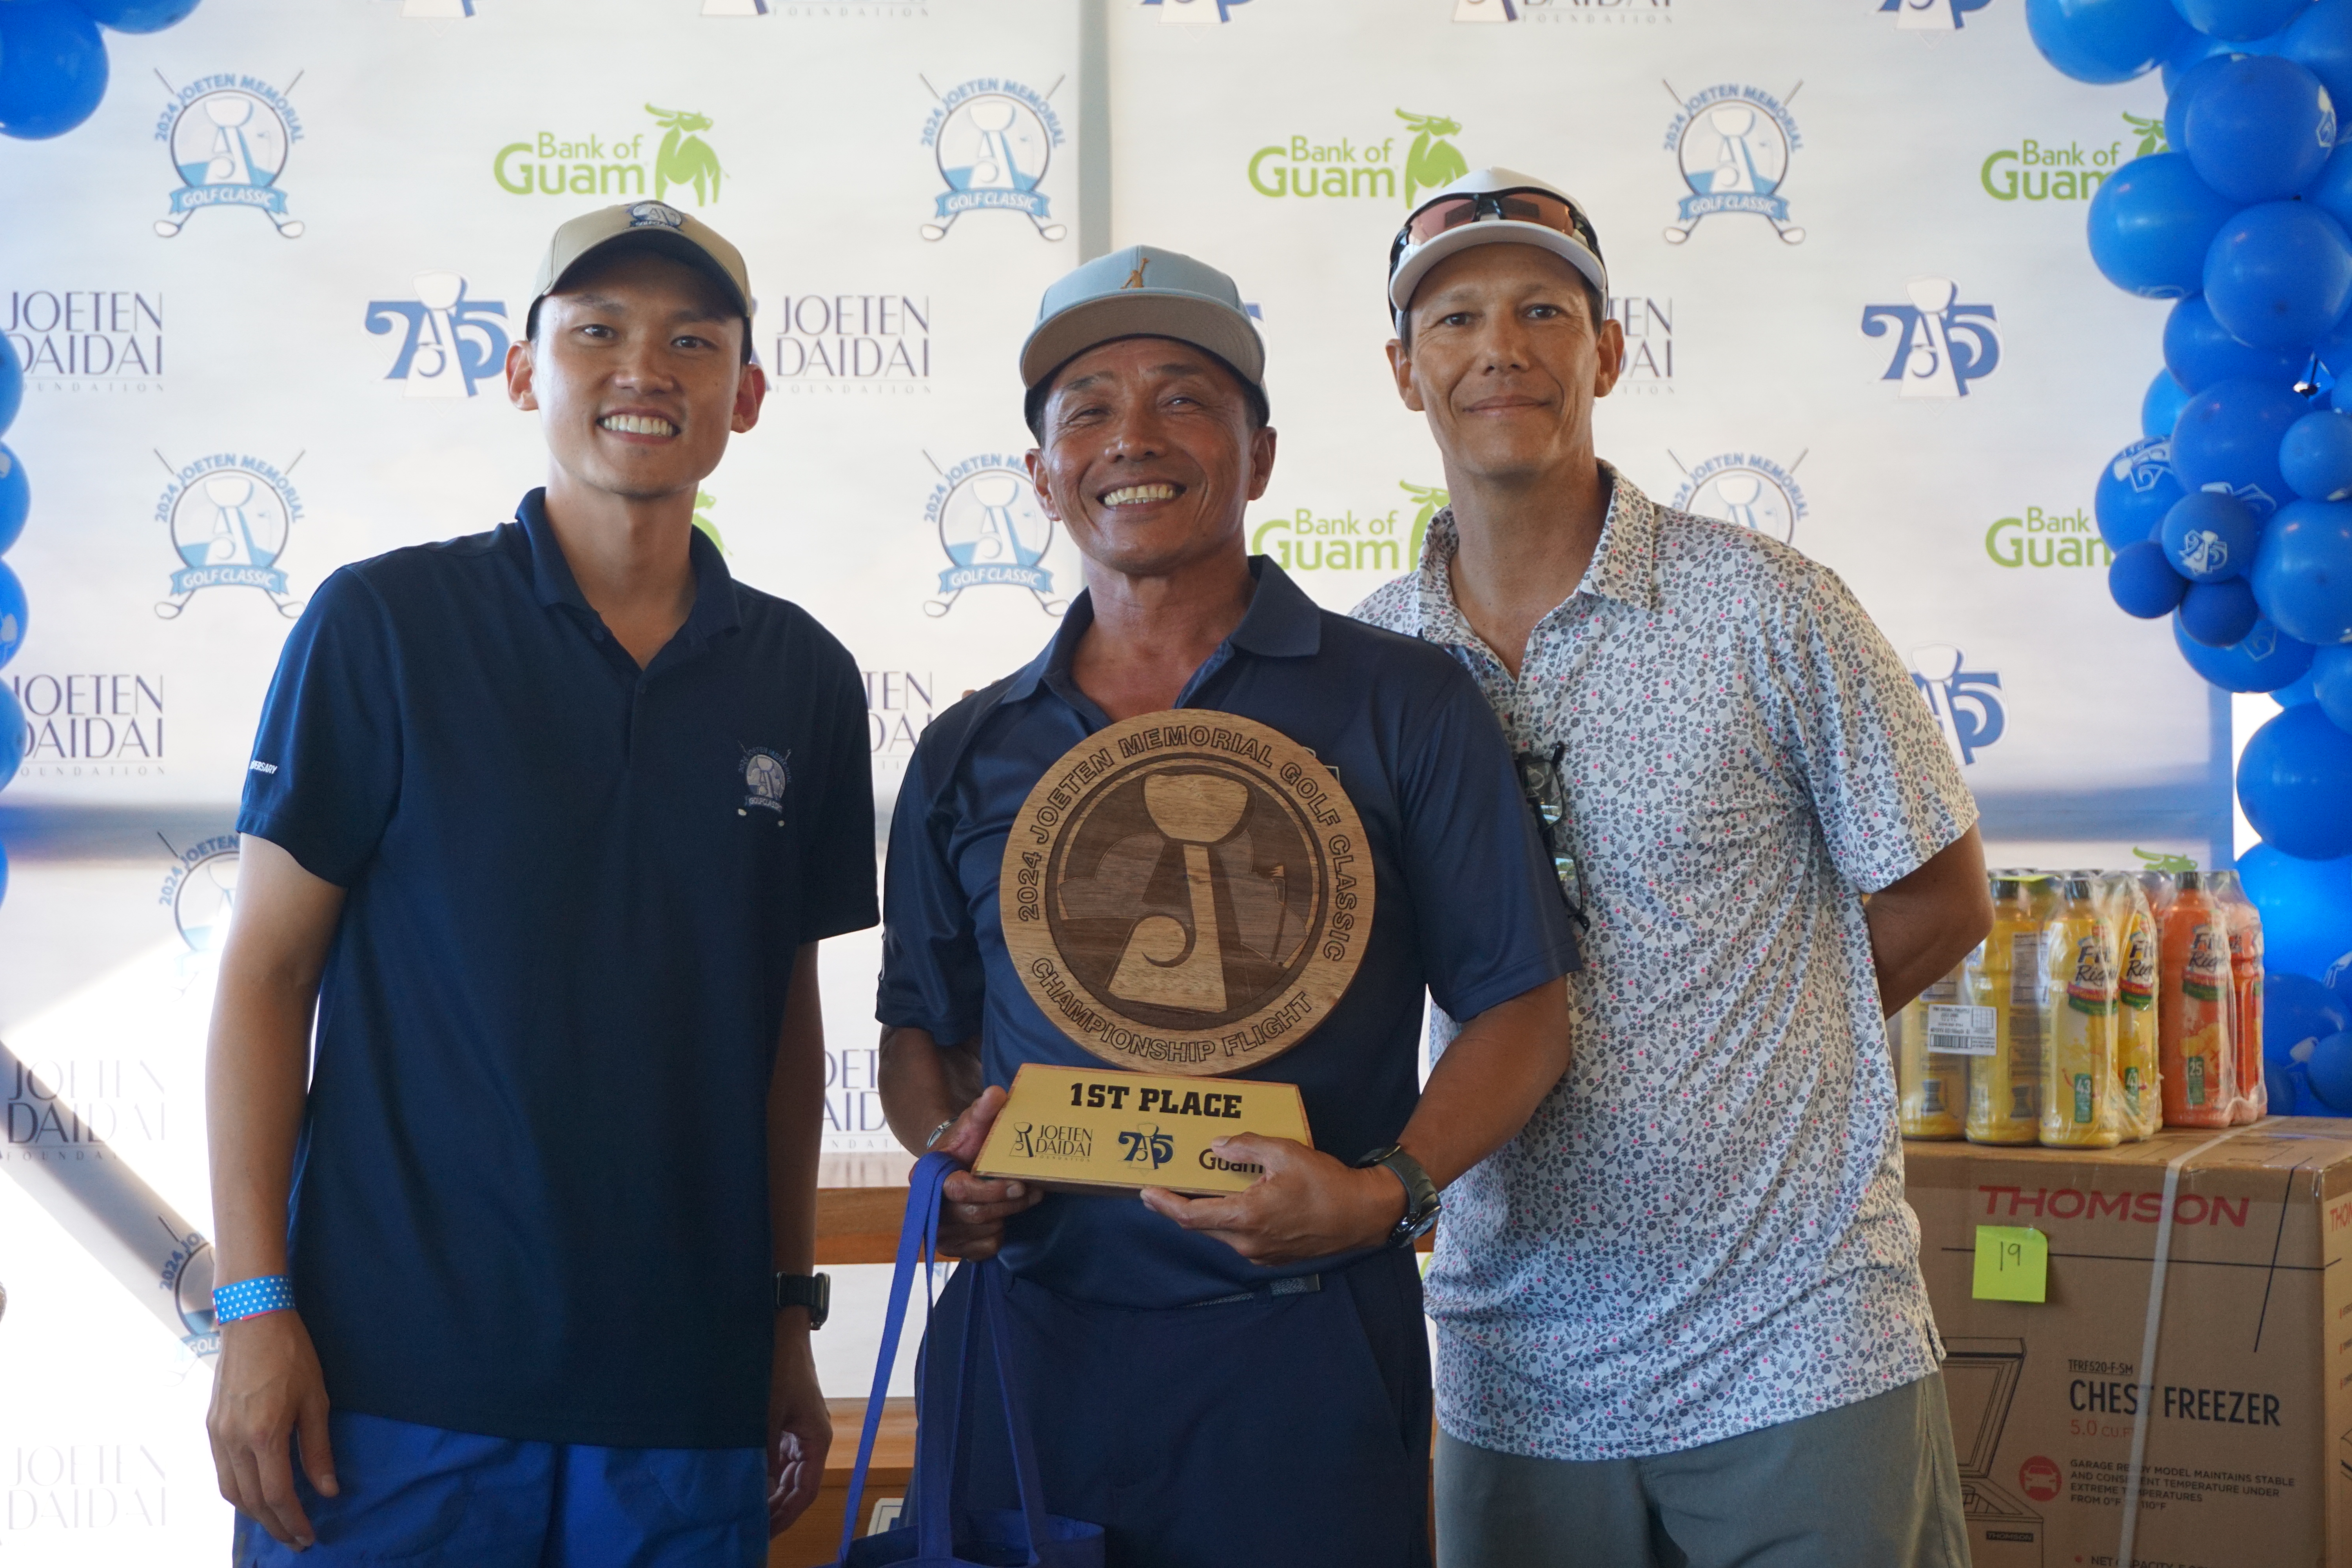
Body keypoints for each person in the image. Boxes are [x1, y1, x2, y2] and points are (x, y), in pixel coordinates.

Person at [873, 245, 1581, 1568]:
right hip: (1026, 1343)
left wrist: (1392, 1193)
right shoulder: (969, 748)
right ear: (1039, 476)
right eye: (1085, 408)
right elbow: (924, 1032)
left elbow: (1522, 1010)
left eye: (1183, 398)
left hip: (1299, 1352)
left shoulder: (1400, 701)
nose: (1132, 437)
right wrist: (945, 1162)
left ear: (1259, 456)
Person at [203, 203, 877, 1566]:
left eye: (692, 340)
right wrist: (253, 1306)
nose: (645, 369)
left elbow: (782, 1025)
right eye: (597, 333)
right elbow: (266, 977)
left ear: (744, 397)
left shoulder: (801, 677)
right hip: (385, 1397)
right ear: (524, 373)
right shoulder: (383, 626)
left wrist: (785, 1322)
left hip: (680, 1402)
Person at [1353, 168, 1994, 1568]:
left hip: (1796, 1335)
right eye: (1454, 320)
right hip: (1511, 1348)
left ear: (1611, 350)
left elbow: (1945, 900)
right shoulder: (1372, 664)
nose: (1500, 348)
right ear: (1406, 375)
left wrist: (1751, 1037)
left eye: (1543, 310)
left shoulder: (1771, 607)